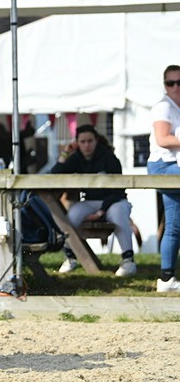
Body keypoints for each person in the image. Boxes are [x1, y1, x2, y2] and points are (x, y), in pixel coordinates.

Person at [49, 125, 136, 277]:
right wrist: (65, 153)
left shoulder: (109, 158)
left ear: (96, 141)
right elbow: (56, 175)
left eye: (90, 141)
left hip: (113, 201)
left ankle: (128, 260)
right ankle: (71, 257)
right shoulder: (76, 158)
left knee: (119, 213)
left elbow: (118, 191)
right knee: (72, 216)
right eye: (82, 141)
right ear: (77, 142)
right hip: (89, 202)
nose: (86, 145)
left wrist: (101, 211)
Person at [149, 64, 180, 292]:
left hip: (174, 166)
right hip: (163, 166)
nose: (176, 87)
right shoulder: (163, 107)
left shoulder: (177, 107)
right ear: (165, 85)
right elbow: (162, 139)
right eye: (171, 83)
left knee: (173, 225)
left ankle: (166, 279)